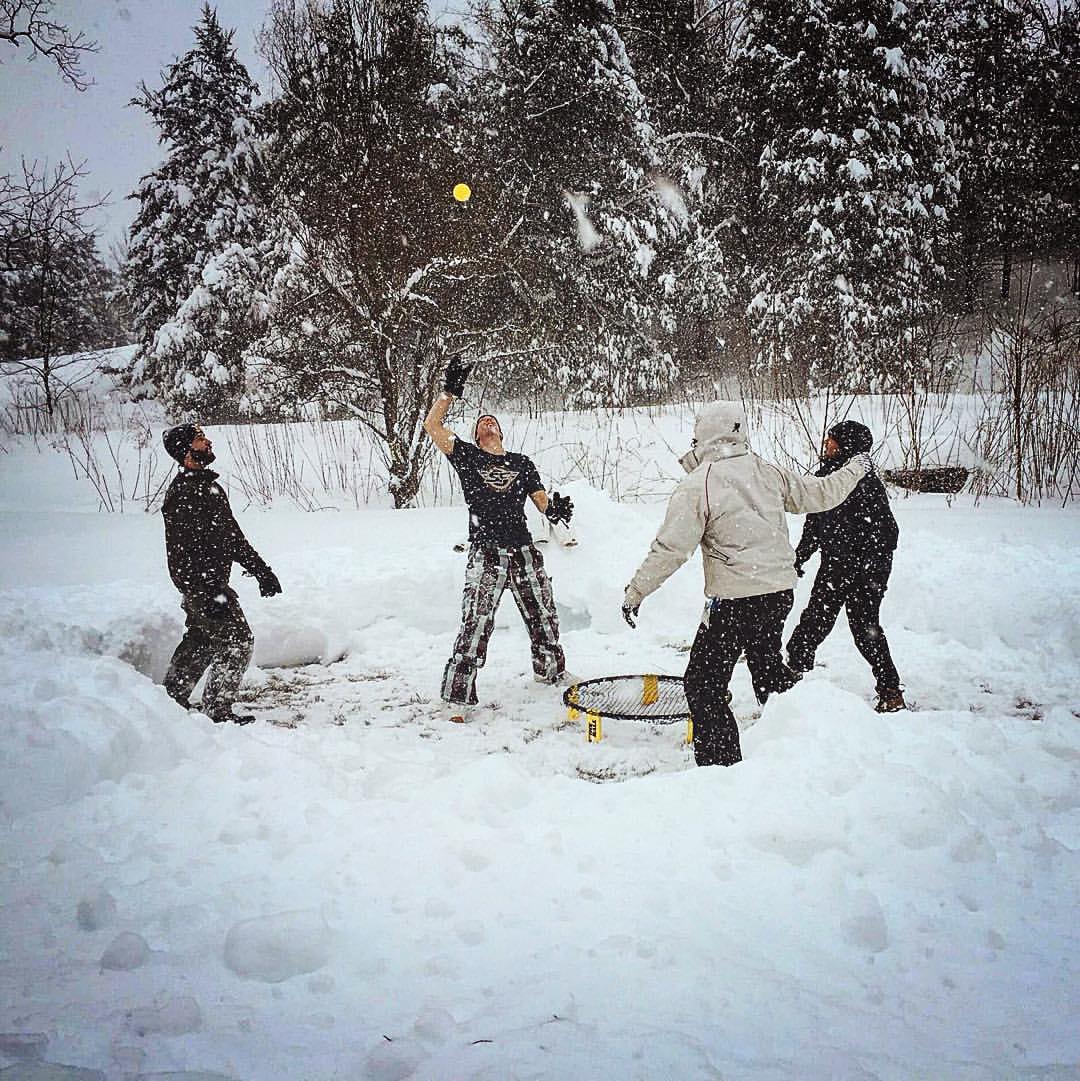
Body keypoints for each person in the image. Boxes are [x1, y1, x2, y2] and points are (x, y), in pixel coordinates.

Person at [622, 401, 871, 768]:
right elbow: (820, 494)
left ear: (707, 435)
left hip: (736, 600)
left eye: (696, 433)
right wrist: (855, 469)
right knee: (767, 669)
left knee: (703, 685)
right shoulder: (765, 471)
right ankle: (812, 736)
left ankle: (723, 771)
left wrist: (636, 591)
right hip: (778, 593)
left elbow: (671, 548)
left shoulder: (699, 484)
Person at [424, 357, 574, 722]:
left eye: (493, 422)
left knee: (543, 616)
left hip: (523, 550)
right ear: (477, 436)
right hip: (486, 553)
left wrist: (554, 510)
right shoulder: (466, 456)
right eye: (482, 423)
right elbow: (433, 425)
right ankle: (456, 697)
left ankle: (552, 673)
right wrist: (449, 392)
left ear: (502, 433)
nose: (487, 423)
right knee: (476, 623)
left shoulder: (522, 463)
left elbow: (540, 501)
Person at [160, 424, 282, 725]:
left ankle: (168, 702)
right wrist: (208, 590)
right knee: (237, 641)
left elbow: (232, 539)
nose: (208, 442)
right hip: (203, 585)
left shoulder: (206, 487)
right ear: (187, 452)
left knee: (201, 638)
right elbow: (183, 551)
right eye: (201, 440)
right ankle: (216, 710)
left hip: (207, 585)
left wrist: (261, 571)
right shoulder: (187, 492)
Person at [785, 420, 905, 713]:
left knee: (863, 628)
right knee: (815, 621)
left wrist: (866, 567)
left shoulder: (862, 482)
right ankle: (794, 680)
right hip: (839, 563)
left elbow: (887, 532)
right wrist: (798, 559)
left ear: (846, 446)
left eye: (832, 441)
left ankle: (890, 691)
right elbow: (815, 526)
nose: (826, 444)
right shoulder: (827, 477)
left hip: (863, 566)